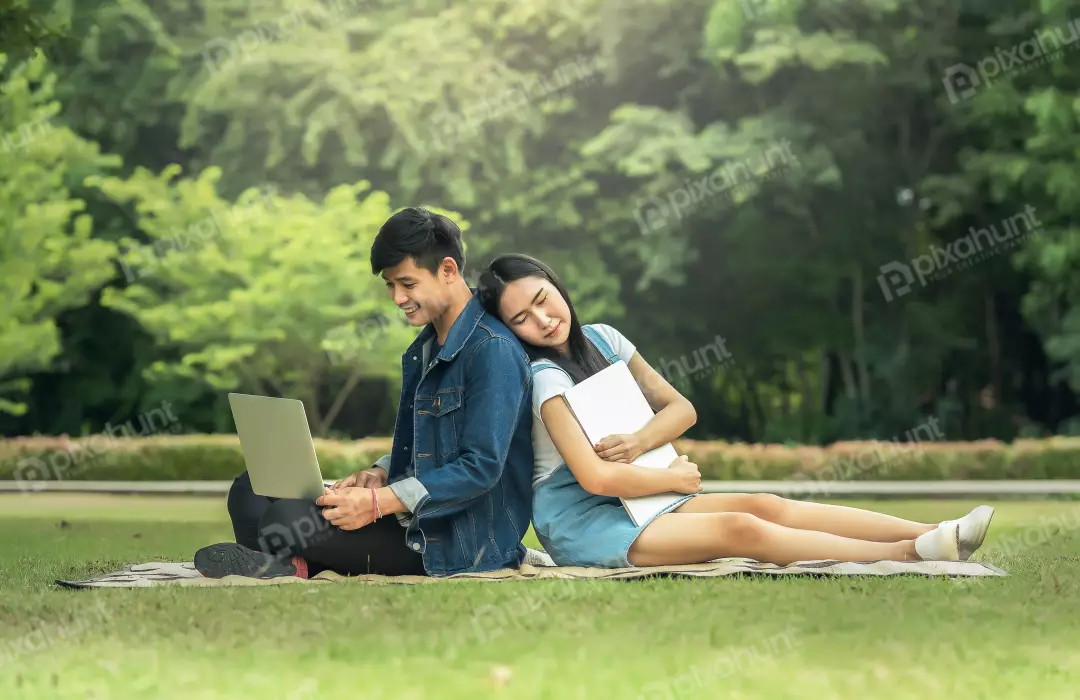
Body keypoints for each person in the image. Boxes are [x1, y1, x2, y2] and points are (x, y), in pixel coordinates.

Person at [476, 253, 995, 568]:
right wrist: (673, 482)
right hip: (585, 519)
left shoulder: (605, 339)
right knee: (740, 531)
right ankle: (912, 556)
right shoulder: (545, 378)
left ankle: (932, 531)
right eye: (521, 318)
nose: (543, 320)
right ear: (509, 331)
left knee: (764, 504)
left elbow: (681, 409)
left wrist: (639, 444)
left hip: (640, 487)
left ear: (556, 285)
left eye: (544, 299)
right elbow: (593, 478)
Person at [194, 208, 534, 579]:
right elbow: (425, 446)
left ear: (448, 270)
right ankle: (291, 564)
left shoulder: (492, 349)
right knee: (252, 488)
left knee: (285, 517)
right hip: (407, 519)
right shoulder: (423, 350)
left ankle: (290, 563)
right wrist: (379, 474)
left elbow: (480, 467)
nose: (396, 297)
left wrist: (376, 504)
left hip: (456, 542)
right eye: (389, 285)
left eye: (407, 283)